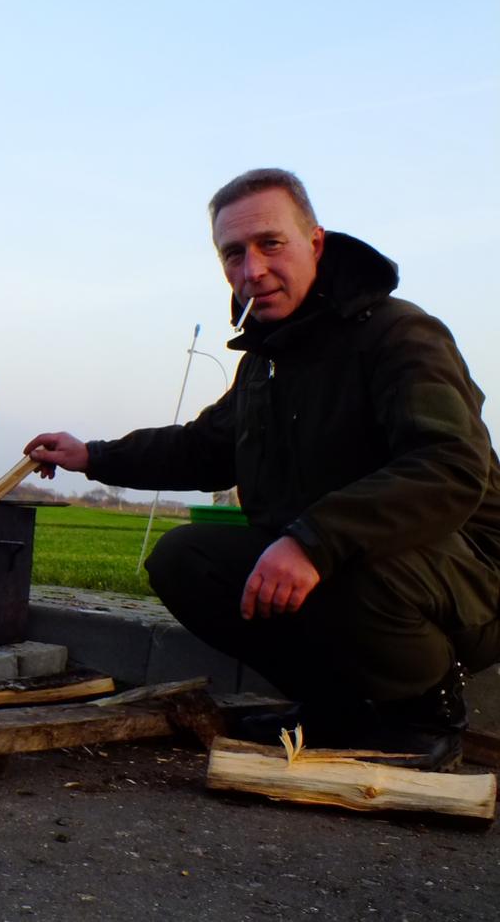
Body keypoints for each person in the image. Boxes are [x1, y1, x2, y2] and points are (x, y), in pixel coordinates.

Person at [25, 168, 500, 770]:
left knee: (348, 556)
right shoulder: (267, 359)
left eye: (270, 243)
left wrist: (311, 540)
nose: (252, 270)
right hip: (346, 564)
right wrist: (93, 456)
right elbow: (204, 447)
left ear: (315, 243)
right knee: (185, 560)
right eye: (233, 254)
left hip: (466, 578)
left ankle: (426, 715)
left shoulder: (400, 334)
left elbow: (450, 464)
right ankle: (336, 710)